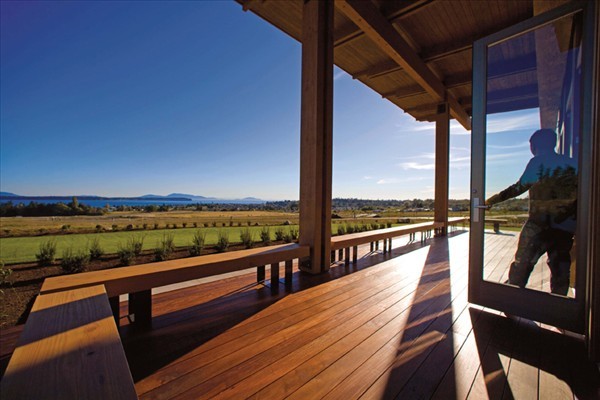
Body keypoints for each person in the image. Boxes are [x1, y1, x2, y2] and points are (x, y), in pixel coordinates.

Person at [486, 128, 577, 295]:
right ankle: (559, 306)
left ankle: (512, 297)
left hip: (539, 224)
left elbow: (519, 187)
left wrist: (492, 201)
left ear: (535, 146)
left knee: (523, 262)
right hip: (565, 226)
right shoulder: (573, 164)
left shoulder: (538, 162)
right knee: (560, 268)